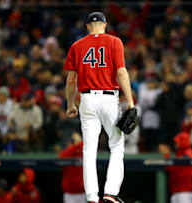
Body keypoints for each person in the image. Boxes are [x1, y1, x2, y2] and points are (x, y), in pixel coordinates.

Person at [64, 12, 134, 203]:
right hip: (109, 98)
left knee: (89, 150)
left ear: (88, 26)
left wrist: (71, 104)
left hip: (86, 99)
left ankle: (92, 197)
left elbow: (71, 80)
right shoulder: (114, 42)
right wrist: (130, 101)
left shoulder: (77, 46)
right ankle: (110, 193)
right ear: (105, 24)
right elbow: (121, 71)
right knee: (116, 145)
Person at [158, 132, 192, 203]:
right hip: (178, 191)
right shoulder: (180, 154)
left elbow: (172, 168)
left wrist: (166, 155)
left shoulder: (188, 154)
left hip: (184, 192)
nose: (176, 144)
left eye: (178, 142)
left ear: (183, 142)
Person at [59, 132, 85, 203]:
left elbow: (85, 148)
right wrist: (76, 145)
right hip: (70, 192)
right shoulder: (66, 153)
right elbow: (62, 156)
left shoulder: (83, 152)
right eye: (72, 141)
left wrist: (80, 142)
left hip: (83, 192)